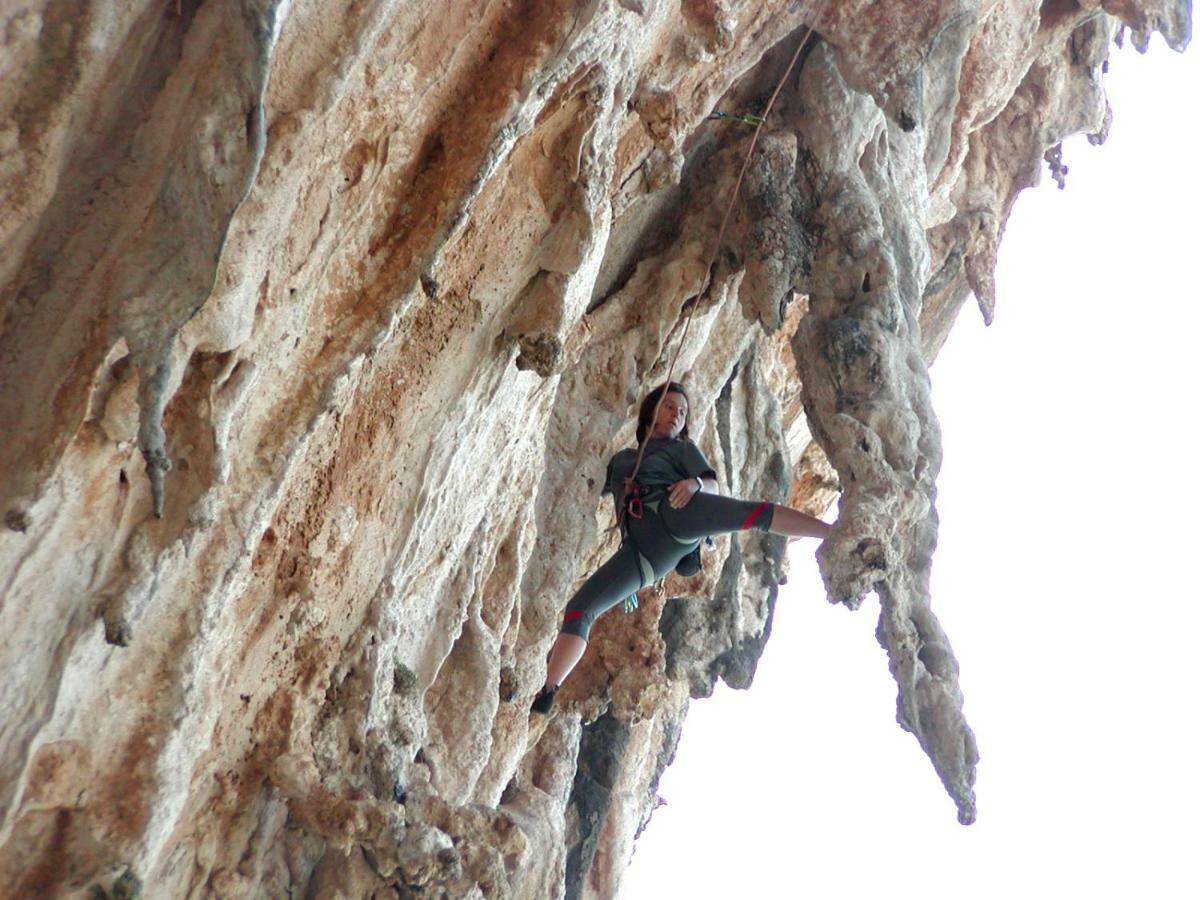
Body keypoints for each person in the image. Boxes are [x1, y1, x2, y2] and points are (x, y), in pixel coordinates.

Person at [531, 381, 831, 714]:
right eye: (670, 406)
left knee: (752, 513)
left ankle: (829, 532)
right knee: (579, 608)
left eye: (683, 411)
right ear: (652, 411)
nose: (677, 414)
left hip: (675, 512)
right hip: (640, 552)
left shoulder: (683, 449)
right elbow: (583, 486)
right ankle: (549, 687)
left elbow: (714, 484)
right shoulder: (622, 460)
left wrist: (695, 483)